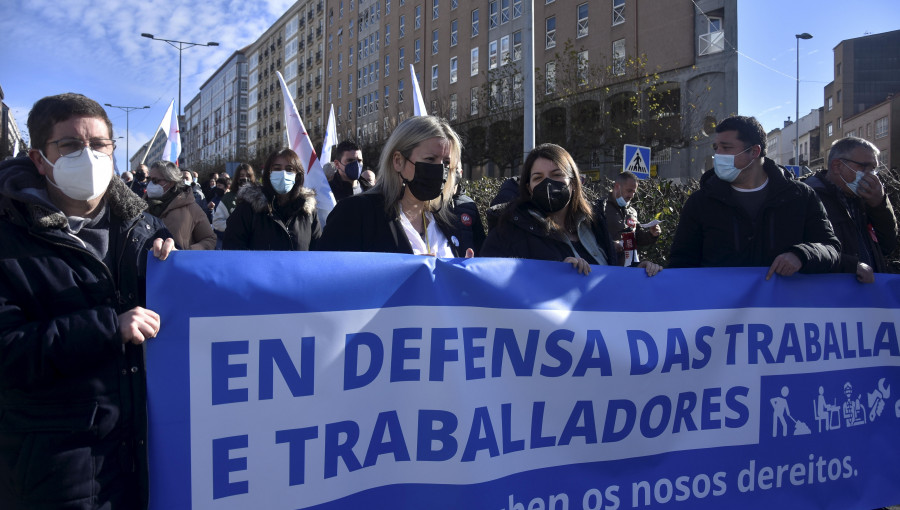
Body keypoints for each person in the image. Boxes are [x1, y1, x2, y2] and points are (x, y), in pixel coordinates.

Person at [0, 92, 175, 509]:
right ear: (40, 158)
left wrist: (178, 272)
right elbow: (8, 353)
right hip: (59, 474)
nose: (89, 155)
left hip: (143, 460)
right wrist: (106, 328)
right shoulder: (8, 238)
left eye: (99, 145)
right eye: (71, 146)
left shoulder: (146, 231)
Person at [667, 115, 840, 278]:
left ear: (755, 151)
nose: (718, 155)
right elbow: (681, 262)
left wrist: (802, 255)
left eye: (726, 147)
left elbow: (831, 248)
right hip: (721, 306)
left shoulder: (800, 196)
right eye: (716, 148)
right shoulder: (701, 202)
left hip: (783, 305)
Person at [482, 143, 661, 276]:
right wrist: (558, 274)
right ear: (529, 188)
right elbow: (494, 289)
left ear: (574, 182)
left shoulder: (595, 224)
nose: (547, 183)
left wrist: (636, 274)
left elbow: (608, 277)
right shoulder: (508, 231)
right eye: (538, 178)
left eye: (556, 175)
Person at [317, 115, 475, 257]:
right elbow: (329, 279)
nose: (440, 170)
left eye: (446, 163)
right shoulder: (354, 214)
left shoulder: (448, 219)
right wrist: (404, 274)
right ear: (398, 161)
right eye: (429, 159)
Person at [804, 137, 897, 283]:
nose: (871, 175)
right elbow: (806, 251)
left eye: (873, 169)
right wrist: (850, 265)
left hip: (867, 293)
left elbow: (888, 245)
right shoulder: (808, 197)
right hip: (831, 294)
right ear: (837, 166)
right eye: (864, 167)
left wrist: (879, 205)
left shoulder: (868, 198)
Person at [223, 148, 321, 250]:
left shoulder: (308, 211)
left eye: (289, 169)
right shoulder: (248, 207)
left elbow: (317, 252)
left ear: (297, 175)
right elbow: (232, 247)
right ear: (268, 173)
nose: (283, 174)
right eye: (277, 169)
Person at [145, 160, 216, 250]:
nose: (151, 184)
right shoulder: (141, 208)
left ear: (170, 182)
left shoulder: (191, 208)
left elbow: (210, 239)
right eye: (149, 180)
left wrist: (184, 254)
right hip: (145, 263)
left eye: (155, 180)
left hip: (176, 263)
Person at [605, 171, 662, 266]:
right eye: (629, 191)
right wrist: (611, 244)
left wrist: (652, 234)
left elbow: (637, 238)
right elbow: (592, 237)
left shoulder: (632, 211)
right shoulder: (601, 207)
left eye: (634, 192)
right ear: (617, 187)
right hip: (607, 266)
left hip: (630, 267)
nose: (631, 195)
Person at [450, 163, 487, 254]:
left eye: (455, 168)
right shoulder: (434, 203)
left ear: (461, 172)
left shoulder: (469, 204)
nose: (451, 172)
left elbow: (479, 240)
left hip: (467, 263)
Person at [212, 163, 254, 237]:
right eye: (241, 176)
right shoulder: (228, 198)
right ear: (237, 178)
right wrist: (235, 226)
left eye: (248, 175)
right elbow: (217, 222)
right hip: (235, 241)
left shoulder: (258, 197)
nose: (245, 178)